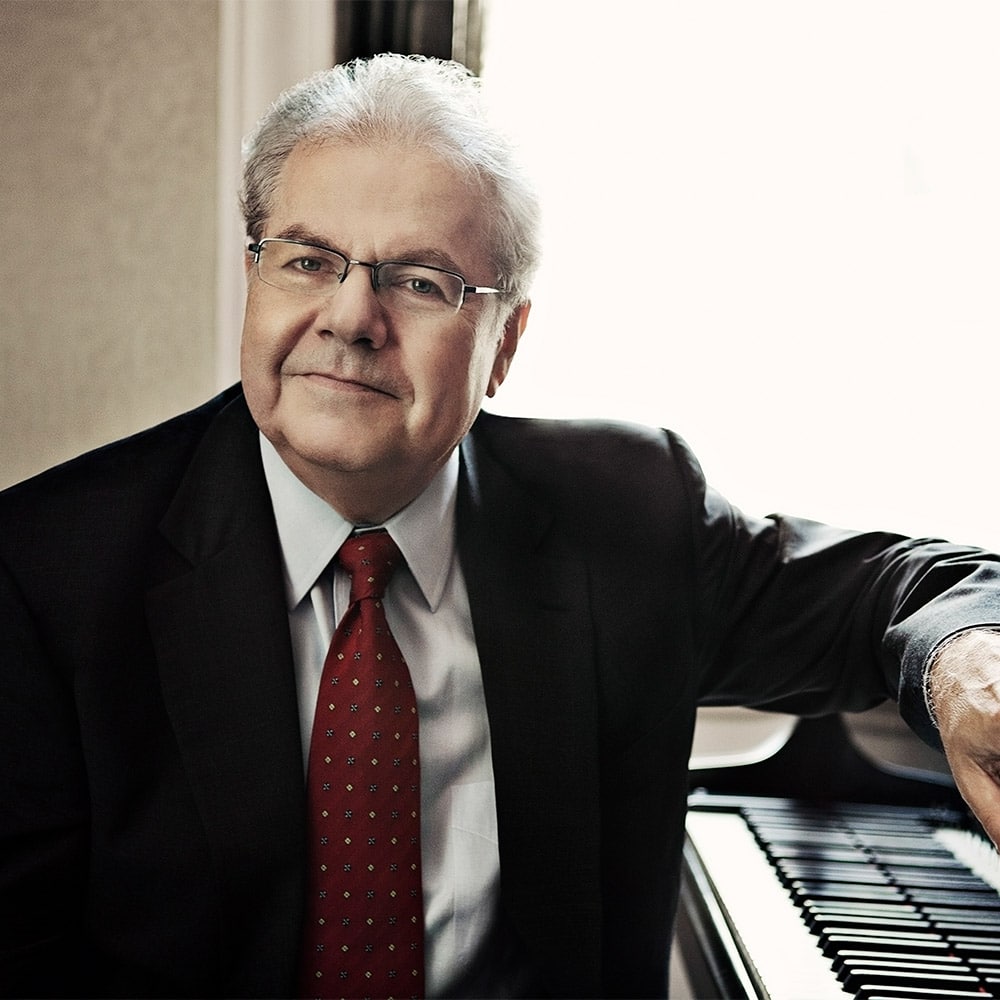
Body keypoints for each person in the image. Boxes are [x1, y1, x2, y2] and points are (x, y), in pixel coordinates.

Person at [2, 52, 1000, 1000]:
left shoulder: (629, 512)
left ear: (505, 343)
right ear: (254, 275)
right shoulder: (50, 575)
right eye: (309, 261)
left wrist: (964, 671)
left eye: (421, 281)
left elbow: (912, 588)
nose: (351, 317)